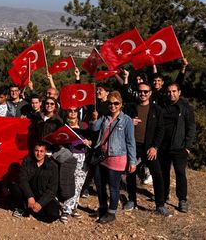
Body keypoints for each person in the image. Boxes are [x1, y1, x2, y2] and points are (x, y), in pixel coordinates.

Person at [123, 82, 172, 217]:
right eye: (140, 91)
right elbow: (121, 122)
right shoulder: (130, 108)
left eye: (145, 91)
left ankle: (160, 205)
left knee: (157, 174)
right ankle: (132, 200)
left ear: (150, 93)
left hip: (149, 147)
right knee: (131, 173)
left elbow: (161, 129)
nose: (142, 94)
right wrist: (129, 121)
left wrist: (155, 147)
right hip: (133, 146)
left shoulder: (156, 110)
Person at [91, 91, 136, 224]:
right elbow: (94, 128)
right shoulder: (105, 117)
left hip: (117, 157)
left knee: (113, 187)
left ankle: (111, 213)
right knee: (99, 184)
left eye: (116, 103)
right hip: (102, 156)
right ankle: (103, 207)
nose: (113, 106)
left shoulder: (126, 120)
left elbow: (130, 141)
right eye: (110, 103)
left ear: (121, 104)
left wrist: (132, 161)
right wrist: (97, 118)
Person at [159, 83, 196, 213]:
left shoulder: (185, 108)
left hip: (179, 147)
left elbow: (191, 128)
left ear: (179, 92)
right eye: (169, 92)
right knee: (164, 173)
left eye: (174, 91)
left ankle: (182, 200)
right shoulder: (162, 106)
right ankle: (163, 196)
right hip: (163, 146)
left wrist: (187, 146)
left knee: (180, 173)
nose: (171, 94)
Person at [11, 141, 61, 223]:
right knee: (15, 187)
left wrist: (40, 203)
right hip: (29, 193)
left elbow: (52, 189)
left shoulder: (52, 166)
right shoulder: (27, 161)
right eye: (36, 151)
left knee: (53, 215)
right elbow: (22, 179)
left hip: (43, 194)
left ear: (45, 152)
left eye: (41, 151)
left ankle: (33, 209)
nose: (39, 154)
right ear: (33, 151)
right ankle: (22, 208)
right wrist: (30, 196)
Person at [60, 107, 91, 223]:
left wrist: (88, 142)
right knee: (70, 183)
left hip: (83, 158)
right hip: (70, 157)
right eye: (70, 111)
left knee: (79, 184)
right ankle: (66, 209)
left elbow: (92, 139)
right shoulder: (65, 127)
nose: (73, 113)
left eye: (75, 111)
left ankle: (74, 207)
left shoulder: (85, 126)